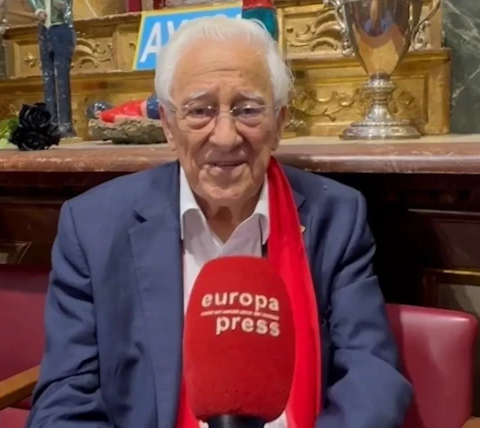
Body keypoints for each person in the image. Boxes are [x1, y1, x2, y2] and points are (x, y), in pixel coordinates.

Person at [26, 16, 413, 428]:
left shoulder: (336, 217)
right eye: (200, 111)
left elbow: (372, 378)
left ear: (279, 123)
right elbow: (64, 401)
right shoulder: (93, 227)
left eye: (248, 110)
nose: (225, 136)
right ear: (169, 127)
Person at [26, 0, 77, 138]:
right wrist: (38, 10)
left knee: (62, 78)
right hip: (44, 30)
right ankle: (51, 123)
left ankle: (65, 123)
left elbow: (64, 5)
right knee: (47, 78)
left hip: (61, 27)